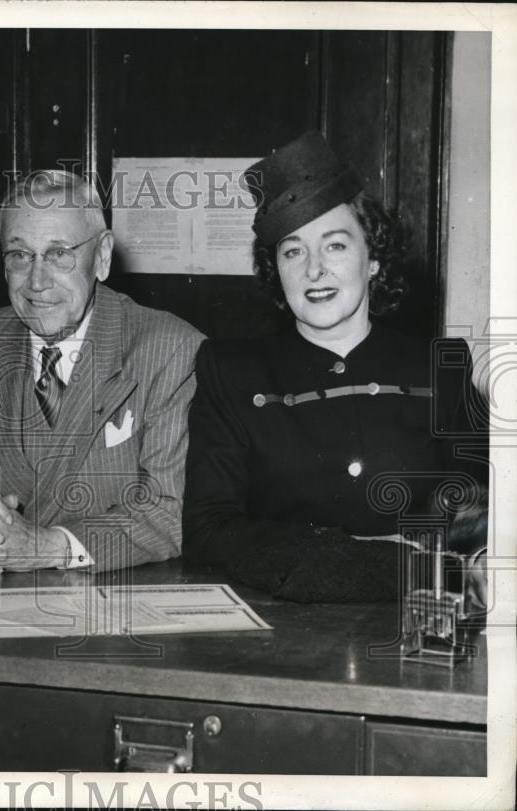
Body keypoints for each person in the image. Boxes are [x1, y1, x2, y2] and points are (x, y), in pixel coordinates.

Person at [183, 131, 487, 602]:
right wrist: (367, 559)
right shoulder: (232, 370)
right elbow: (206, 531)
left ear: (373, 260)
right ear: (276, 270)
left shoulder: (441, 368)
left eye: (335, 246)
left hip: (419, 627)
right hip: (280, 630)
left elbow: (480, 509)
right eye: (292, 251)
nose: (313, 270)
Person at [0, 170, 204, 574]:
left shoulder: (169, 347)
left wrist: (48, 547)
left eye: (59, 253)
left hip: (110, 613)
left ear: (101, 257)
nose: (37, 281)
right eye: (19, 256)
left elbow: (169, 511)